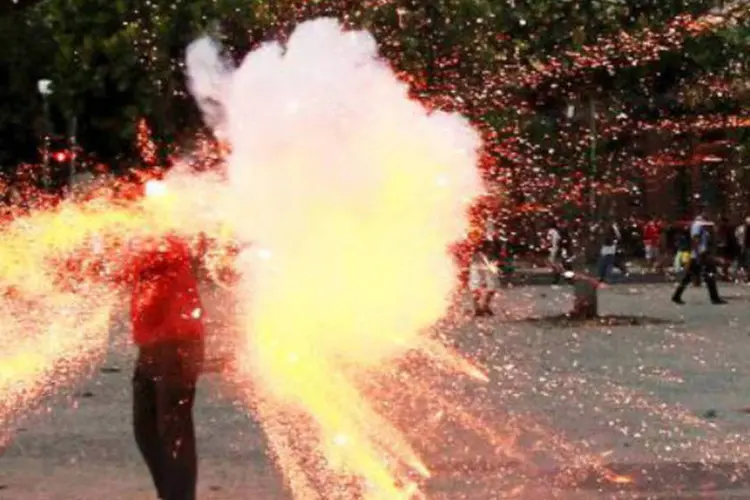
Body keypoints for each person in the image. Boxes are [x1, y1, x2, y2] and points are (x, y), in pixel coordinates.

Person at [672, 212, 726, 305]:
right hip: (699, 255)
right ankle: (714, 298)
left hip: (699, 255)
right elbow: (695, 240)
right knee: (708, 276)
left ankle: (677, 296)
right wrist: (699, 254)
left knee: (691, 277)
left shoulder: (701, 227)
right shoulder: (697, 226)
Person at [469, 224, 502, 316]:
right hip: (479, 260)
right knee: (477, 285)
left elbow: (494, 245)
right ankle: (477, 309)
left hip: (487, 261)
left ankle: (484, 306)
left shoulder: (489, 227)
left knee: (492, 286)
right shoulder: (475, 228)